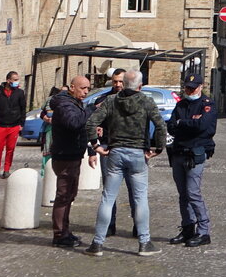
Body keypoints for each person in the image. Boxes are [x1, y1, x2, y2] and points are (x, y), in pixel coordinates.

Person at [84, 70, 166, 257]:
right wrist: (158, 149)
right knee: (140, 199)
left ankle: (97, 243)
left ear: (124, 84)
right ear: (139, 86)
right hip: (138, 153)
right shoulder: (146, 101)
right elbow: (160, 125)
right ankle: (144, 242)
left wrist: (96, 146)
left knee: (107, 198)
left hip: (115, 152)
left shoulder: (111, 101)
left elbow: (91, 123)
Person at [166, 73, 218, 247]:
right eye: (187, 87)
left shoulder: (207, 105)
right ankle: (188, 227)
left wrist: (183, 123)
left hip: (195, 154)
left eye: (193, 87)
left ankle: (204, 231)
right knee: (183, 195)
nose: (190, 90)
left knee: (193, 193)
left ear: (201, 87)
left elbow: (203, 127)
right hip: (179, 152)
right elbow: (171, 127)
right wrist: (188, 123)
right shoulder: (181, 105)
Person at [47, 75, 97, 247]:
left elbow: (81, 128)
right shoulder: (64, 104)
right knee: (64, 195)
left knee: (69, 195)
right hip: (65, 156)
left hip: (73, 154)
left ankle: (65, 232)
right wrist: (91, 109)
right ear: (72, 87)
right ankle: (59, 235)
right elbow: (75, 123)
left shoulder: (74, 103)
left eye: (88, 89)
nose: (85, 92)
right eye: (83, 88)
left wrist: (90, 148)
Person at [93, 69, 136, 237]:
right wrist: (94, 147)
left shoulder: (136, 100)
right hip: (109, 149)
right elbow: (93, 123)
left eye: (121, 81)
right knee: (109, 191)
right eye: (115, 81)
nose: (118, 84)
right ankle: (109, 225)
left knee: (135, 190)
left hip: (132, 149)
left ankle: (138, 225)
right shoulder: (102, 100)